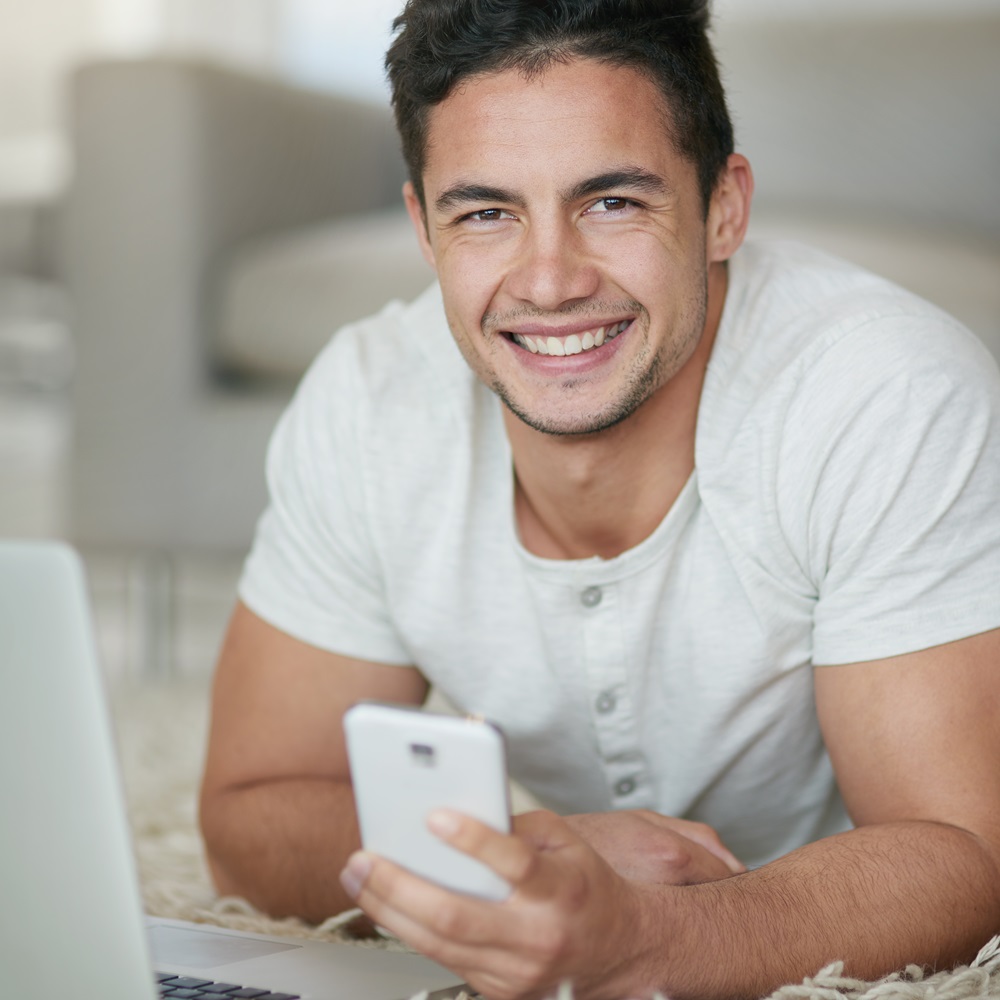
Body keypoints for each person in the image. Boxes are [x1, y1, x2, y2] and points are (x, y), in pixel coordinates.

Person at [198, 1, 1000, 997]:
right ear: (422, 227)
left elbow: (963, 857)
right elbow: (247, 815)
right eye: (485, 211)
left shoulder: (886, 393)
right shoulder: (370, 397)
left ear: (723, 207)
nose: (548, 280)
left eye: (612, 201)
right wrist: (537, 858)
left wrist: (641, 939)